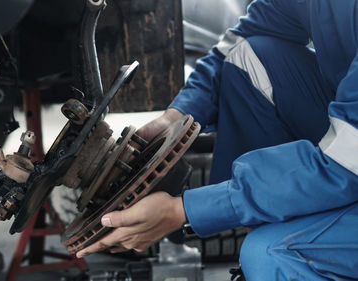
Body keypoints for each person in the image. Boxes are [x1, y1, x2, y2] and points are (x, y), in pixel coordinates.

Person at [76, 0, 358, 279]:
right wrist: (174, 117)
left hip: (348, 160)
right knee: (248, 57)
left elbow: (343, 162)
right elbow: (241, 39)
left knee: (271, 253)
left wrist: (185, 210)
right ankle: (288, 223)